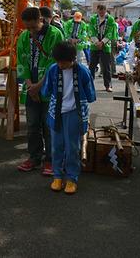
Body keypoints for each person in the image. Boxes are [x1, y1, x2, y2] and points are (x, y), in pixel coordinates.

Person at [41, 41, 96, 195]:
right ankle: (57, 175)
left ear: (72, 59)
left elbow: (90, 93)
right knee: (56, 145)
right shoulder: (53, 69)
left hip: (74, 113)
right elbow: (46, 91)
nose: (60, 64)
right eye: (57, 61)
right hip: (56, 112)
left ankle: (72, 177)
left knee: (72, 147)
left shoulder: (83, 71)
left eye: (63, 62)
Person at [16, 7, 64, 175]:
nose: (30, 31)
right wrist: (31, 86)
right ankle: (34, 157)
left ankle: (51, 160)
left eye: (33, 27)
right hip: (31, 90)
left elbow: (56, 63)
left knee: (50, 126)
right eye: (27, 28)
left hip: (49, 88)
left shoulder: (55, 34)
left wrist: (39, 86)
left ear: (40, 20)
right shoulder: (23, 37)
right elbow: (21, 63)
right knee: (32, 125)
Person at [88, 4, 118, 93]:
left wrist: (102, 42)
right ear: (97, 10)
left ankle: (108, 85)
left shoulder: (110, 19)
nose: (101, 13)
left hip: (106, 45)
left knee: (106, 66)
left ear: (105, 10)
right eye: (99, 11)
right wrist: (96, 42)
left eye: (103, 11)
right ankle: (89, 84)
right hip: (95, 45)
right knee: (92, 66)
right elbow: (91, 30)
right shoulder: (93, 19)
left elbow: (110, 32)